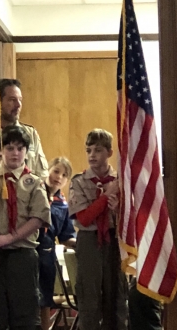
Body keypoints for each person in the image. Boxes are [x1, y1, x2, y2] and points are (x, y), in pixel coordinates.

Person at [0, 125, 51, 330]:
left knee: (24, 317)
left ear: (27, 152)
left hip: (22, 255)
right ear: (2, 151)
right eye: (10, 148)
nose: (15, 153)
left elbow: (38, 218)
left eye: (20, 148)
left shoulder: (33, 183)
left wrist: (8, 238)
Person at [68, 128, 128, 330]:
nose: (92, 155)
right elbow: (84, 218)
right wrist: (105, 198)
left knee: (116, 295)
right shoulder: (79, 181)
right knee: (89, 298)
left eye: (98, 150)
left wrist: (118, 209)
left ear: (110, 153)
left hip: (114, 238)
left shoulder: (120, 181)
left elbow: (132, 216)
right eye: (89, 150)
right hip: (89, 241)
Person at [36, 157, 76, 330]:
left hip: (47, 255)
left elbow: (66, 236)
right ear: (48, 170)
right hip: (28, 250)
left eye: (64, 175)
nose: (59, 177)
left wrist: (83, 243)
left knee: (44, 301)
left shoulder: (62, 205)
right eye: (56, 171)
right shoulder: (34, 192)